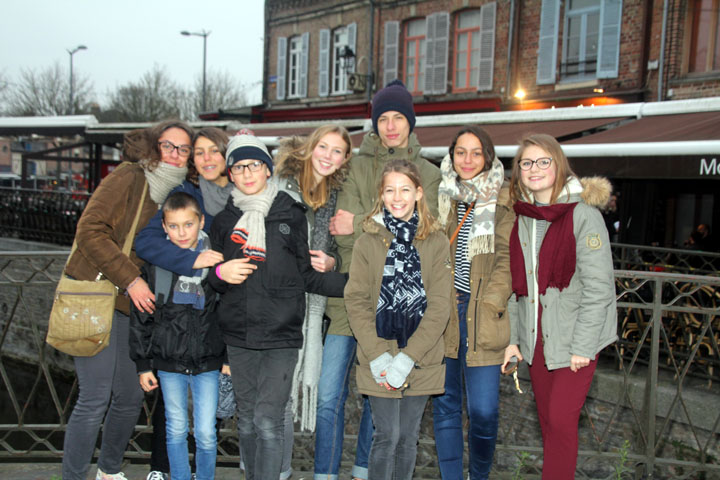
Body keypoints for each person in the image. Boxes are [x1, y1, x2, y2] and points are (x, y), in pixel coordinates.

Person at [208, 134, 347, 480]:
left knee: (268, 421)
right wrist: (220, 273)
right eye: (239, 167)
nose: (248, 173)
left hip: (281, 337)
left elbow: (306, 277)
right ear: (231, 174)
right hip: (239, 336)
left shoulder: (290, 213)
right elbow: (212, 282)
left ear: (268, 170)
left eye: (254, 164)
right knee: (248, 421)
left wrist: (357, 284)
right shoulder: (224, 222)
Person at [322, 79, 441, 480]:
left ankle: (362, 470)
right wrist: (363, 226)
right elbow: (340, 225)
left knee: (398, 430)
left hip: (409, 314)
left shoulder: (429, 172)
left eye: (398, 118)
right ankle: (325, 471)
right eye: (383, 118)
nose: (390, 126)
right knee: (330, 396)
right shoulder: (355, 165)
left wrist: (361, 222)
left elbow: (428, 227)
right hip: (354, 295)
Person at [62, 120, 193, 480]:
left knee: (130, 397)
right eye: (169, 146)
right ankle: (73, 475)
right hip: (98, 295)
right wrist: (131, 278)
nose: (176, 154)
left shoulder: (176, 190)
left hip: (129, 306)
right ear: (154, 146)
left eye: (184, 149)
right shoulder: (130, 177)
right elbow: (90, 230)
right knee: (96, 396)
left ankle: (109, 471)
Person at [501, 133, 618, 480]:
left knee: (561, 421)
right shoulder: (523, 217)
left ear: (558, 165)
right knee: (549, 422)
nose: (534, 169)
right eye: (526, 163)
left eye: (543, 161)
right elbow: (516, 287)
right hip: (537, 339)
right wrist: (514, 339)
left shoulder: (583, 215)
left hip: (574, 340)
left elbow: (599, 289)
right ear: (518, 171)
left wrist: (583, 345)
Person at [134, 127, 231, 480]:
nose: (206, 159)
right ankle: (165, 471)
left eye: (214, 151)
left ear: (227, 155)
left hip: (211, 339)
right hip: (173, 330)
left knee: (206, 426)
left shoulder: (242, 197)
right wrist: (190, 260)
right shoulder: (184, 195)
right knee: (174, 420)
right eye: (199, 152)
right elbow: (146, 241)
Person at [345, 159, 451, 480]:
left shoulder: (435, 241)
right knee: (386, 434)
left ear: (419, 192)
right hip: (379, 351)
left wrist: (409, 357)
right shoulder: (367, 242)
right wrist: (378, 355)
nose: (397, 196)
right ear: (381, 194)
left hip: (421, 354)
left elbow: (440, 306)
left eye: (405, 189)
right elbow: (357, 300)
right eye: (390, 190)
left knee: (407, 436)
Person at [432, 126, 515, 480]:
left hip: (483, 314)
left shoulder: (504, 199)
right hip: (445, 312)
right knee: (446, 407)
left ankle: (478, 476)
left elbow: (508, 257)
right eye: (460, 152)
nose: (467, 160)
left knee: (483, 410)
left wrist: (489, 301)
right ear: (451, 156)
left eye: (475, 152)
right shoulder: (441, 196)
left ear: (488, 157)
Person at [273, 125, 352, 478]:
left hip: (312, 305)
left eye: (337, 151)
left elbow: (333, 248)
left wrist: (331, 261)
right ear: (310, 146)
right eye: (324, 147)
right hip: (275, 303)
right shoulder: (280, 183)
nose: (328, 156)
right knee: (271, 400)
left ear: (345, 159)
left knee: (298, 401)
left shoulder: (336, 193)